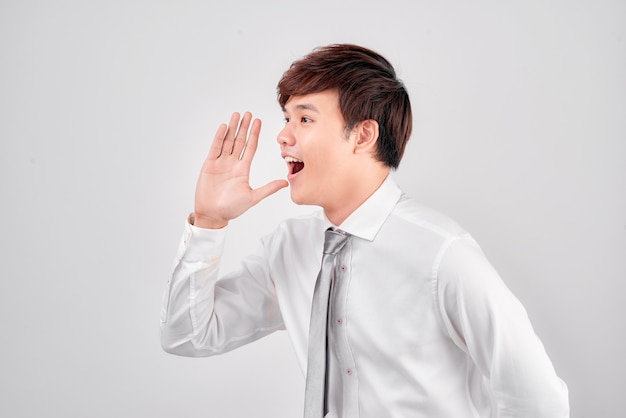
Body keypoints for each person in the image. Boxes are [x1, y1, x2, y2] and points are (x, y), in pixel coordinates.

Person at [160, 44, 569, 417]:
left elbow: (536, 399)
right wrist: (209, 222)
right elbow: (188, 336)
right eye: (286, 118)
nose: (283, 136)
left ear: (363, 134)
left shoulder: (442, 254)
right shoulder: (290, 248)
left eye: (304, 118)